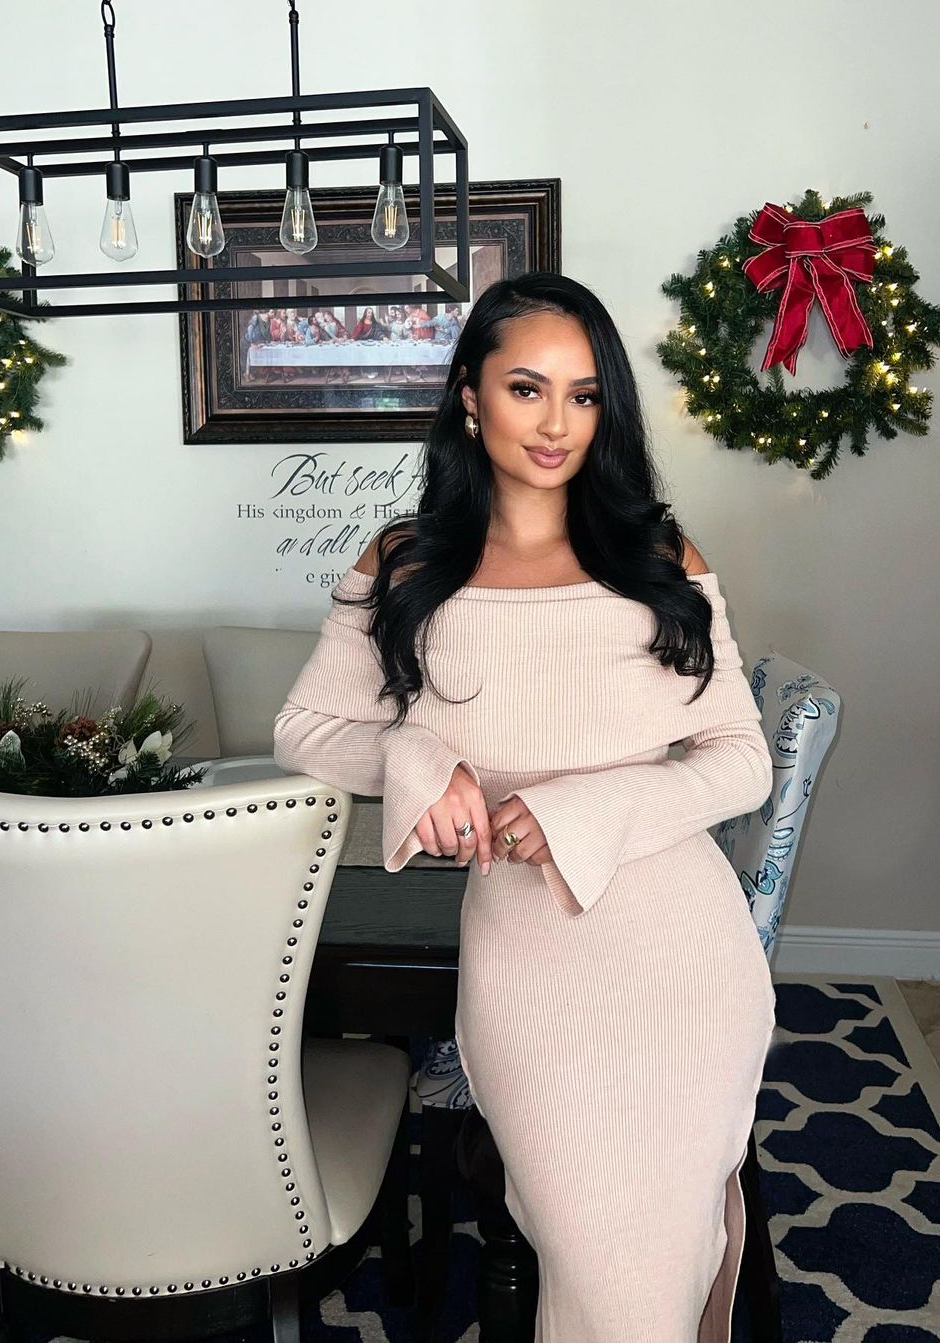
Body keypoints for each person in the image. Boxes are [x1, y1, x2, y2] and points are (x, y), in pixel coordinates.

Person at [273, 271, 775, 1342]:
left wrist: (581, 810)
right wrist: (417, 755)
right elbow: (304, 731)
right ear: (470, 395)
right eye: (527, 388)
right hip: (525, 957)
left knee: (660, 1249)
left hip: (682, 951)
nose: (557, 424)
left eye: (584, 396)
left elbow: (742, 761)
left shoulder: (657, 557)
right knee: (591, 1246)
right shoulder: (405, 561)